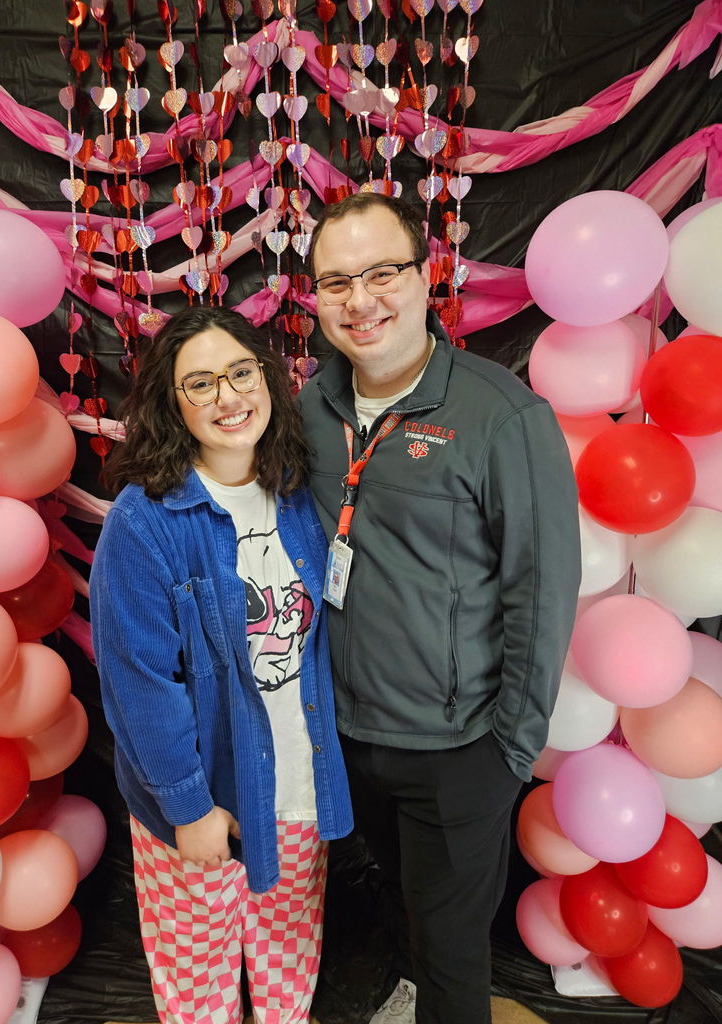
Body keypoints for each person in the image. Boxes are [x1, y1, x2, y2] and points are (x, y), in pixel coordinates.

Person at [299, 193, 581, 1024]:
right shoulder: (309, 408)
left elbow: (543, 590)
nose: (361, 300)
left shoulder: (503, 417)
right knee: (401, 909)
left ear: (428, 279)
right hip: (350, 735)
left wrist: (509, 749)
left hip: (459, 752)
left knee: (455, 956)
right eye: (336, 281)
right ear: (315, 298)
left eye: (383, 273)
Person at [89, 306, 353, 1024]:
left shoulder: (301, 493)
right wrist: (189, 806)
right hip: (208, 797)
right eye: (199, 384)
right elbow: (139, 681)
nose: (227, 398)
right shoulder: (144, 521)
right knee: (199, 979)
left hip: (299, 778)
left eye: (240, 373)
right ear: (173, 405)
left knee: (287, 957)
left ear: (268, 378)